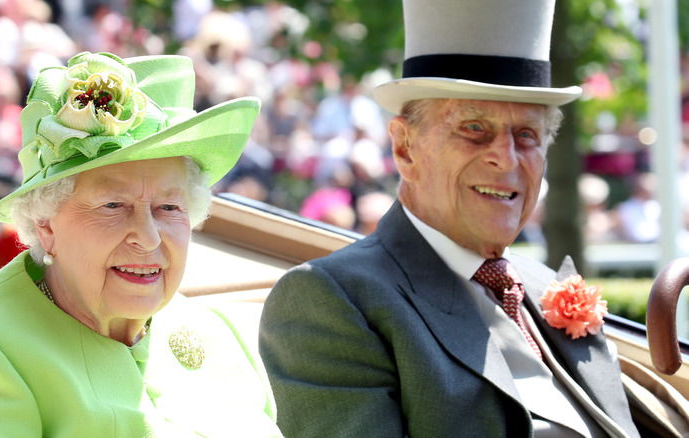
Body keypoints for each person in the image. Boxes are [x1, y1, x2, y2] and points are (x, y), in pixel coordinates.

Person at [259, 1, 640, 437]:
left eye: (527, 135)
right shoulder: (331, 301)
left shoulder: (540, 285)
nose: (506, 158)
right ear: (405, 148)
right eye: (474, 129)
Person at [0, 51, 282, 437]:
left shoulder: (218, 332)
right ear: (45, 222)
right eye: (113, 205)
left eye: (169, 206)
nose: (149, 236)